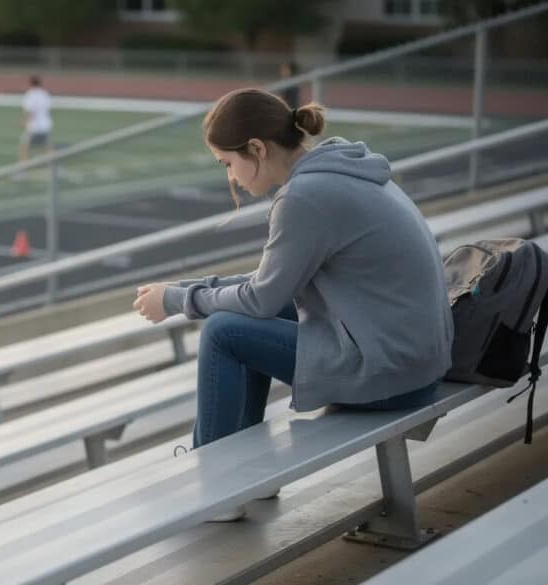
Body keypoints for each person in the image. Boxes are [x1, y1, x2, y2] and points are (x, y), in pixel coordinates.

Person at [132, 88, 452, 519]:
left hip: (391, 372)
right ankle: (241, 474)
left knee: (223, 332)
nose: (230, 177)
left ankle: (216, 487)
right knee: (242, 315)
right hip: (413, 358)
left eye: (228, 163)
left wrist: (176, 300)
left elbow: (259, 298)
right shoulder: (335, 171)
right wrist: (181, 291)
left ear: (257, 149)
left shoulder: (304, 197)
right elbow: (268, 286)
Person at [19, 75, 52, 164]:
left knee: (24, 146)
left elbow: (30, 111)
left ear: (30, 83)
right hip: (46, 125)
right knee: (47, 147)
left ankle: (23, 167)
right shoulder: (45, 94)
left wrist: (24, 122)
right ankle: (53, 166)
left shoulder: (29, 94)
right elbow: (48, 109)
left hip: (34, 127)